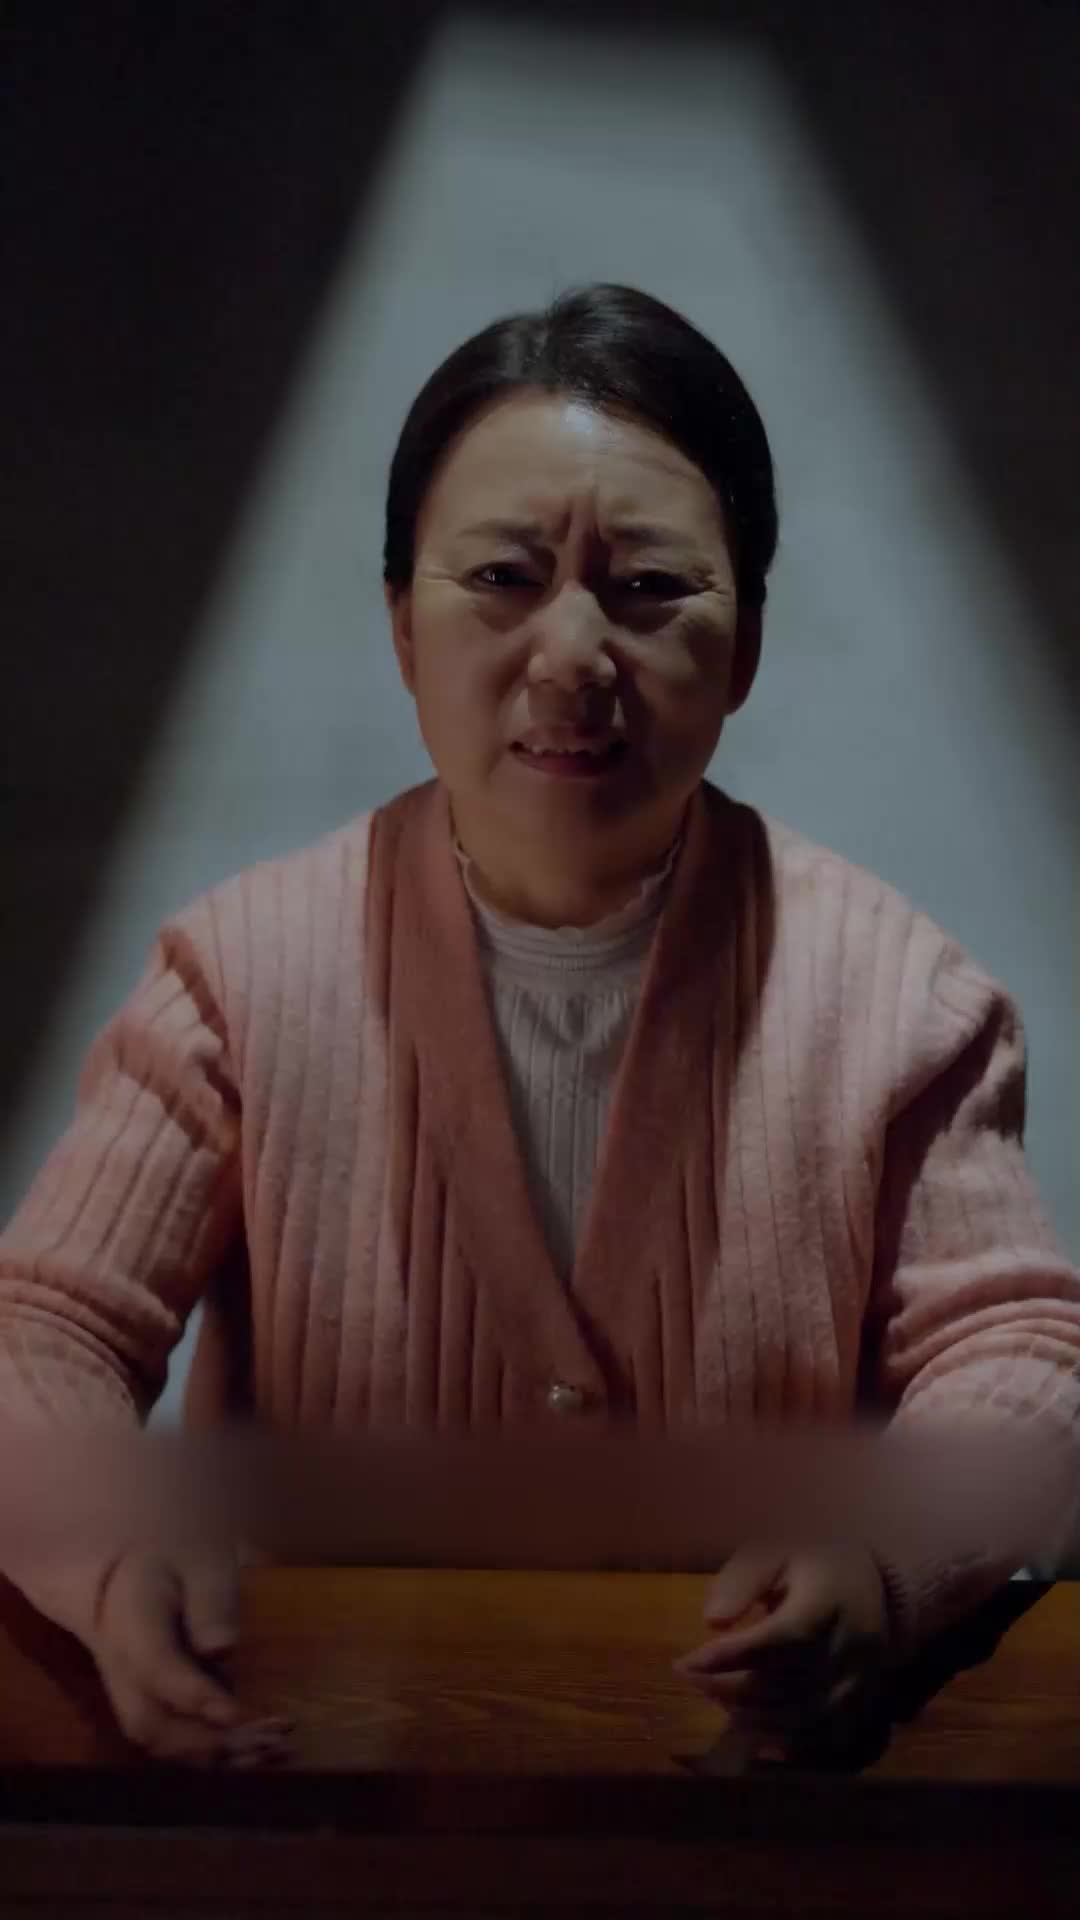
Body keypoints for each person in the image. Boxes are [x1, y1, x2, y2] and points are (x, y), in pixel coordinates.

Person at [1, 283, 1078, 1767]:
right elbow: (41, 1331)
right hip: (323, 1791)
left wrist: (887, 1563)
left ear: (747, 646)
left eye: (649, 588)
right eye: (504, 577)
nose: (572, 653)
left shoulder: (902, 999)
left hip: (751, 1808)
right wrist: (113, 1552)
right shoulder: (240, 979)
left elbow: (1024, 1356)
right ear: (402, 625)